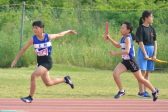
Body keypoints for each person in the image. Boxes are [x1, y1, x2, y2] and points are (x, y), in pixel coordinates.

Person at [11, 21, 77, 103]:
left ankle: (30, 97)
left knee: (33, 76)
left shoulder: (48, 37)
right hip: (40, 62)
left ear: (42, 29)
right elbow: (24, 49)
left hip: (47, 62)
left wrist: (69, 31)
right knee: (48, 83)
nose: (34, 29)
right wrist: (15, 59)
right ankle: (65, 79)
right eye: (33, 28)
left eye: (36, 28)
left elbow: (60, 34)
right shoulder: (33, 39)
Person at [106, 21, 159, 101]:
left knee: (141, 79)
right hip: (125, 61)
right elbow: (117, 45)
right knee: (115, 74)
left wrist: (115, 53)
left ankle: (154, 91)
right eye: (121, 28)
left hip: (131, 61)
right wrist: (109, 38)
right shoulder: (123, 38)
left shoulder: (128, 38)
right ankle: (122, 91)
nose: (121, 29)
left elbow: (127, 51)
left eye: (123, 28)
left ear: (128, 30)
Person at [136, 10, 157, 98]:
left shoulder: (152, 28)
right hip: (143, 50)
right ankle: (141, 92)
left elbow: (155, 41)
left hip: (151, 50)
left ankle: (146, 91)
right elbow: (140, 41)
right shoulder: (140, 28)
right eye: (151, 16)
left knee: (147, 72)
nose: (152, 18)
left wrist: (154, 54)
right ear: (146, 18)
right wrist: (145, 53)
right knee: (142, 72)